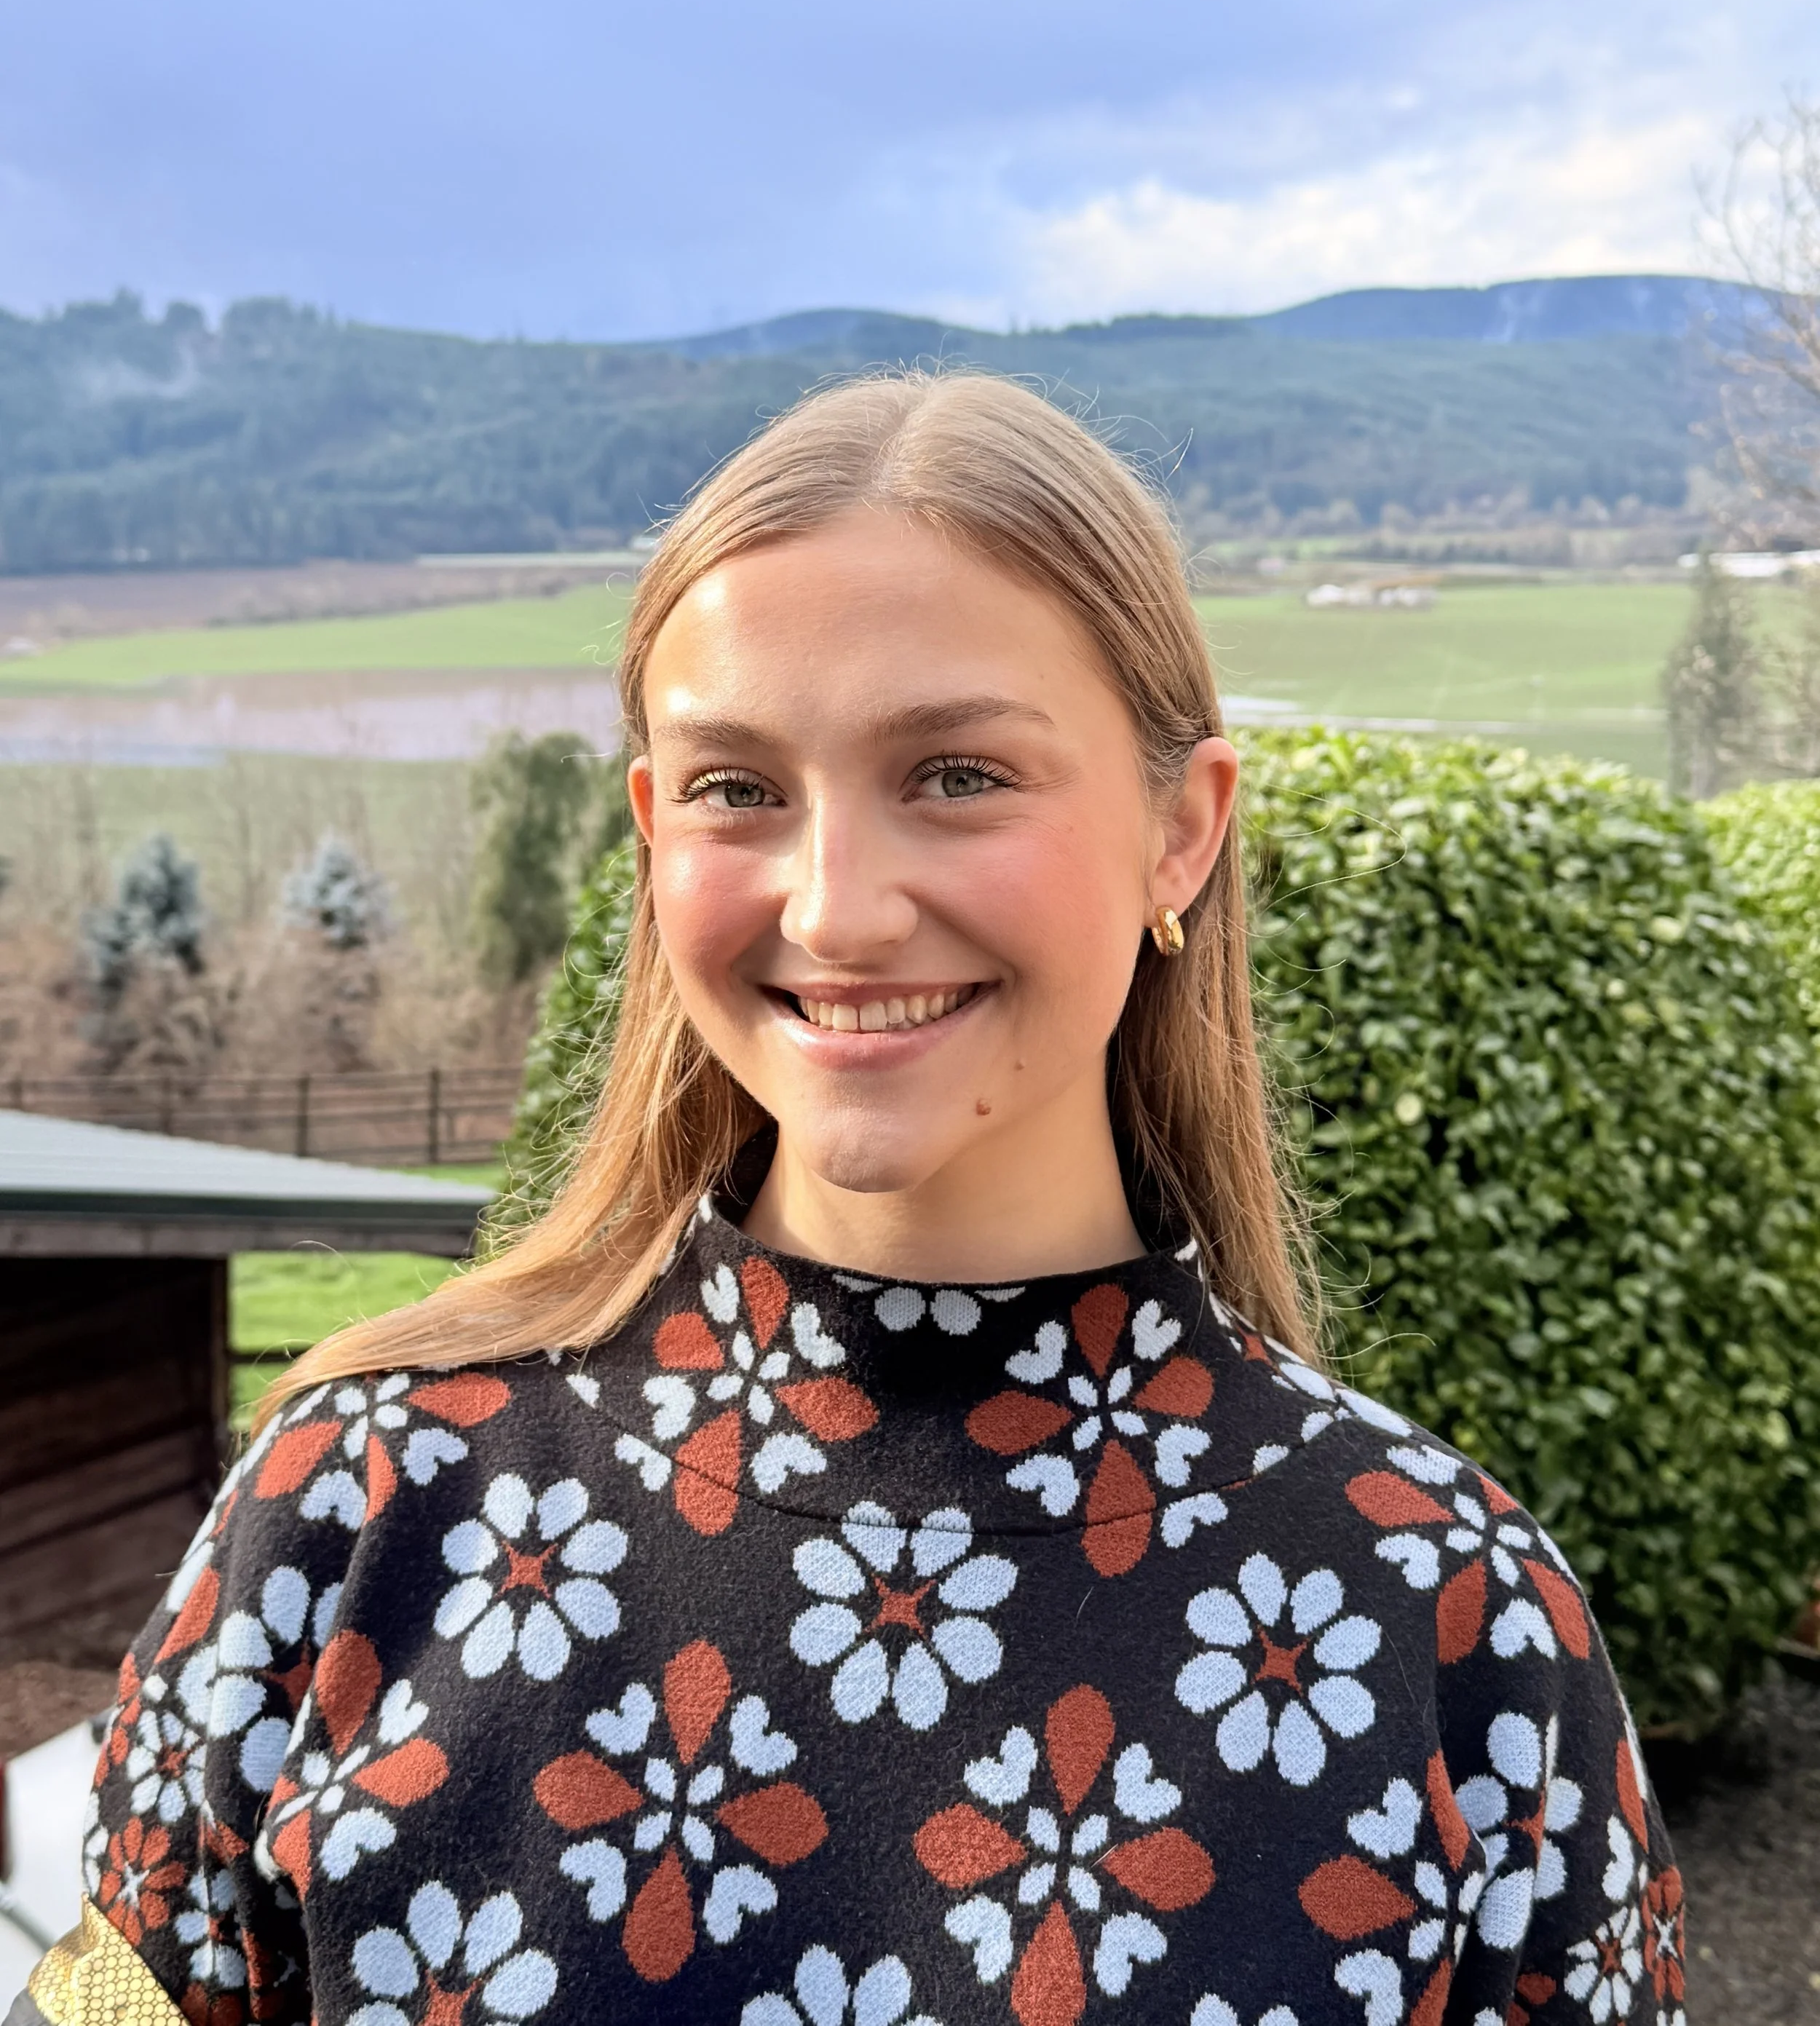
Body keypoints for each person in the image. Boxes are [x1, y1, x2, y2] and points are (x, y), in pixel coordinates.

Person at [16, 373, 1683, 2026]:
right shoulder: (356, 1512)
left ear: (1181, 831)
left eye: (954, 773)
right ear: (655, 831)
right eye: (740, 788)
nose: (838, 907)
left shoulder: (1445, 1615)